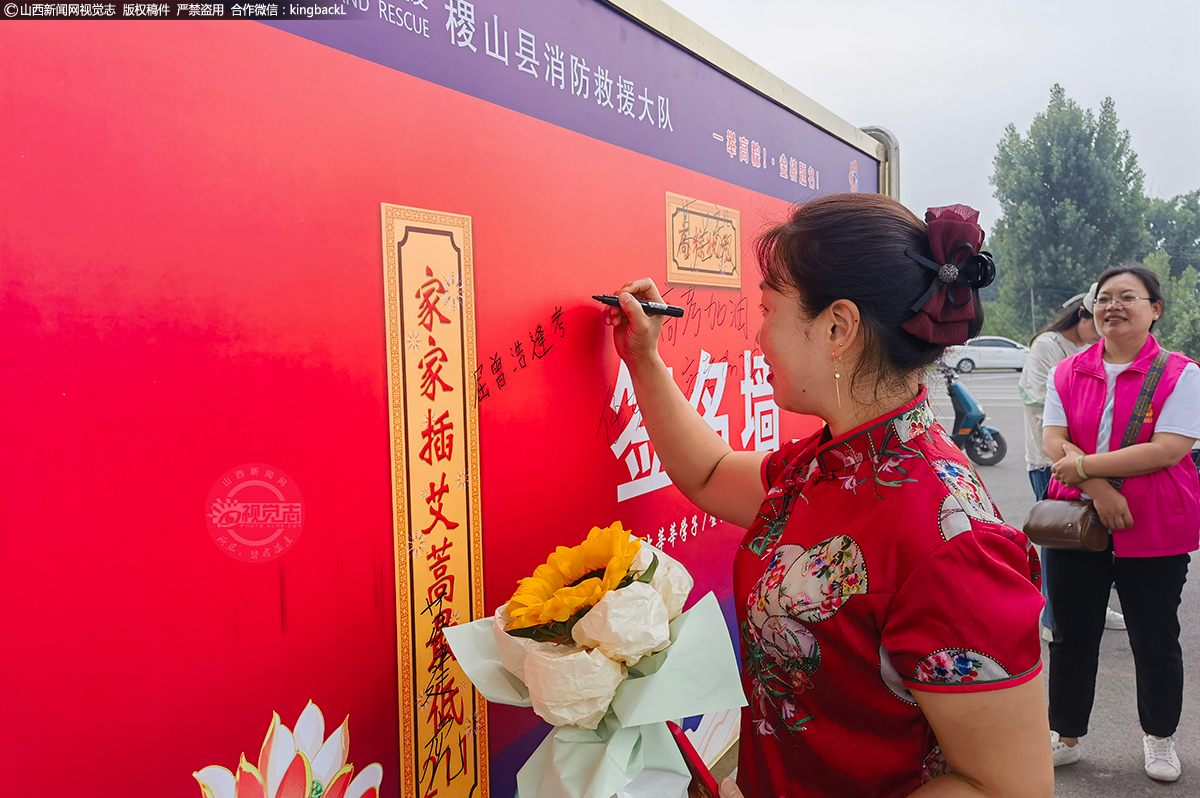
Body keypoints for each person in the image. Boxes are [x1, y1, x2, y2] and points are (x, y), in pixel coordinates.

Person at [604, 195, 1052, 797]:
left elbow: (1005, 788)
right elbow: (710, 473)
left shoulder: (950, 543)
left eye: (768, 309)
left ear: (838, 327)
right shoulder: (829, 463)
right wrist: (644, 359)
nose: (758, 335)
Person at [1041, 264, 1200, 782]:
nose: (1113, 306)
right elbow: (1053, 440)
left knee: (1154, 636)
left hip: (1153, 523)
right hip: (1077, 521)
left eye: (1128, 297)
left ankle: (1159, 738)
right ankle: (1064, 734)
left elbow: (1168, 449)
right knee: (1071, 633)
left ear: (1154, 309)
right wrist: (1099, 490)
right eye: (1104, 297)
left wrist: (1084, 468)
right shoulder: (1067, 370)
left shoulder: (1182, 373)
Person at [1018, 288, 1124, 641]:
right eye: (1097, 324)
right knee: (1059, 535)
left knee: (1096, 536)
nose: (1102, 334)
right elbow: (1038, 400)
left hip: (1093, 460)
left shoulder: (1094, 350)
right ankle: (1052, 617)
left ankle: (1095, 605)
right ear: (1081, 315)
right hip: (1051, 459)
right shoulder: (1047, 346)